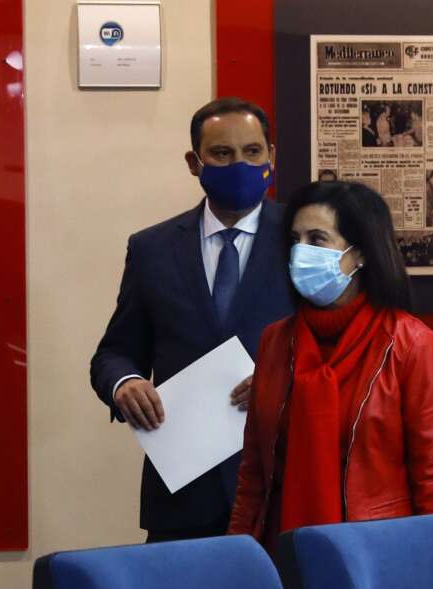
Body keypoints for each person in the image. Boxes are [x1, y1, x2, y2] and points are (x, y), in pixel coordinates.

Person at [90, 98, 295, 543]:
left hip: (284, 485)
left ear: (271, 156)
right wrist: (123, 383)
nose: (239, 164)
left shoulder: (303, 241)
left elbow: (344, 350)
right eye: (222, 154)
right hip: (184, 493)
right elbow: (115, 351)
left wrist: (287, 377)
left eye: (252, 152)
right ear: (194, 161)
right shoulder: (152, 249)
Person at [227, 181, 433, 551]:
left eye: (317, 240)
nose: (301, 253)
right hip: (283, 551)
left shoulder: (410, 344)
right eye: (295, 240)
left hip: (378, 555)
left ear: (360, 254)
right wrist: (236, 554)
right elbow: (254, 474)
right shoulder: (275, 342)